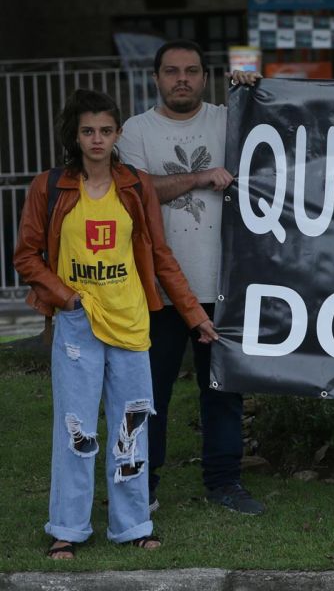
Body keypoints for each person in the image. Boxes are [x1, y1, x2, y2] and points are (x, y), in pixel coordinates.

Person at [14, 89, 216, 559]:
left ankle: (132, 525)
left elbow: (160, 256)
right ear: (75, 135)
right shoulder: (49, 187)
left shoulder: (135, 186)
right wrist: (66, 298)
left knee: (132, 425)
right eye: (88, 131)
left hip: (130, 323)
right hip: (77, 325)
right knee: (75, 429)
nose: (97, 139)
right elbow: (26, 256)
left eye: (106, 130)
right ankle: (67, 528)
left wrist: (194, 314)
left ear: (118, 133)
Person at [116, 40, 265, 515]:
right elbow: (135, 193)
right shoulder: (136, 130)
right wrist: (200, 177)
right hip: (157, 290)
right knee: (149, 394)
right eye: (171, 71)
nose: (182, 79)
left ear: (205, 77)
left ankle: (225, 483)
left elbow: (273, 142)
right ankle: (143, 484)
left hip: (223, 286)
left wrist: (252, 86)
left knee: (223, 391)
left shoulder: (229, 119)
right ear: (156, 78)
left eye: (191, 71)